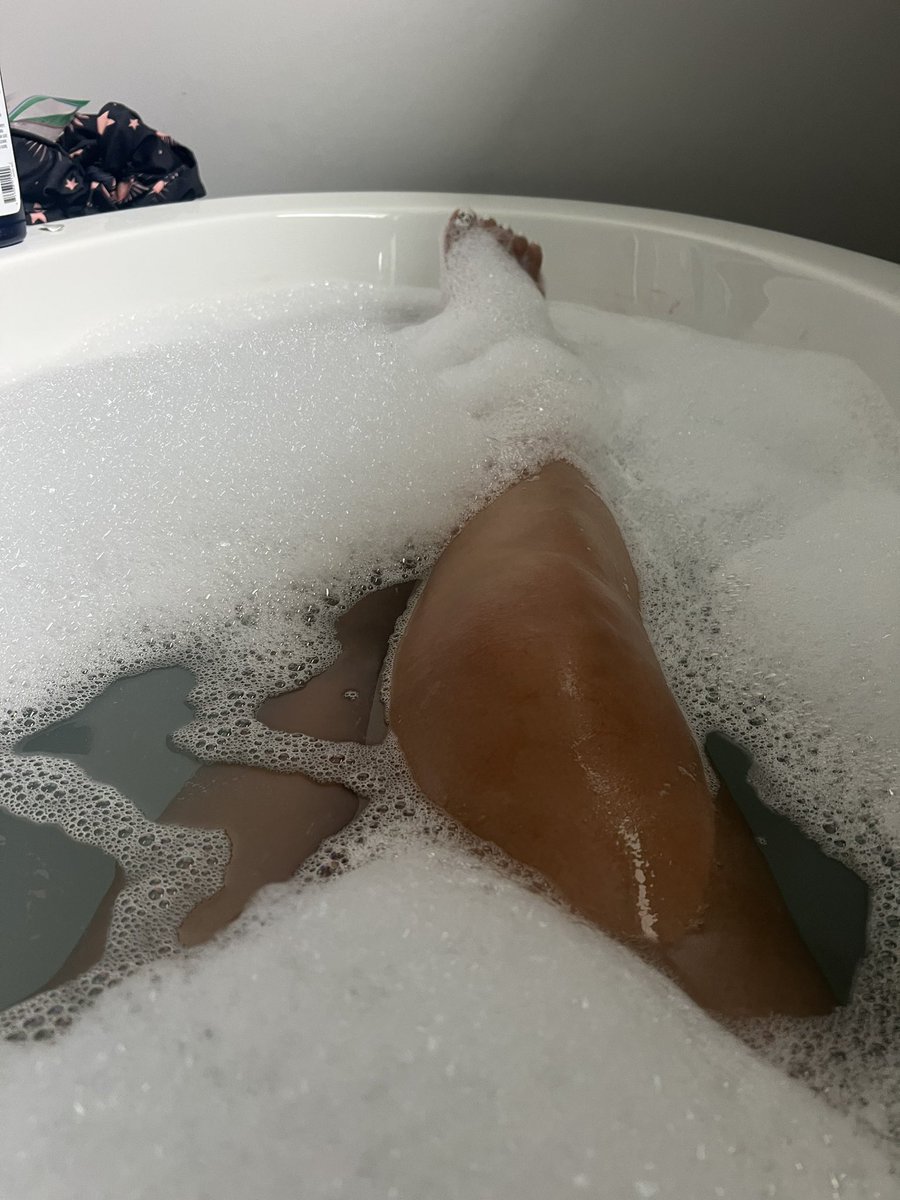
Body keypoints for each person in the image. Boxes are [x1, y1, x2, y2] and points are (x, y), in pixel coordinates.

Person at [169, 212, 835, 1017]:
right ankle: (518, 436)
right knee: (547, 637)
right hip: (694, 1068)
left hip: (161, 1064)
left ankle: (380, 607)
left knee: (527, 640)